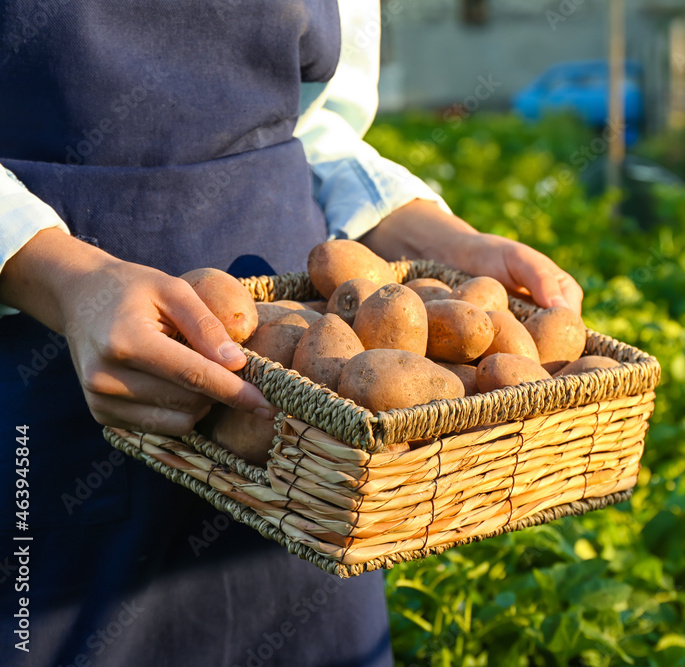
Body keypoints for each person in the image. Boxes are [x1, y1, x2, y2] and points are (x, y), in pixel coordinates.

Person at [0, 2, 582, 665]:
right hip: (51, 381)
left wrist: (436, 238)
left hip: (308, 427)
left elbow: (318, 126)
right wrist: (61, 278)